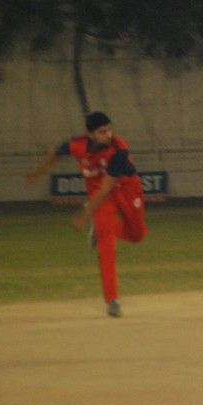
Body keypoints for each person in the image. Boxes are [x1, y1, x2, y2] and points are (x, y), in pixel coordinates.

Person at [24, 111, 147, 317]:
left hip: (126, 187)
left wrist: (84, 214)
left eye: (109, 130)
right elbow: (56, 153)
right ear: (90, 134)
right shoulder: (77, 144)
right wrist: (38, 172)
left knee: (137, 235)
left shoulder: (119, 150)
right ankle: (112, 300)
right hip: (100, 196)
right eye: (102, 132)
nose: (108, 135)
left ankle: (101, 230)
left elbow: (107, 187)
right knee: (107, 247)